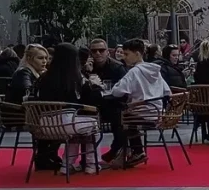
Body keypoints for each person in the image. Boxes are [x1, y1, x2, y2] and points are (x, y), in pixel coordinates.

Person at [33, 43, 103, 175]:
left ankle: (66, 166)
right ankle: (92, 164)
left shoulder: (44, 77)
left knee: (75, 126)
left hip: (44, 124)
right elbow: (87, 100)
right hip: (66, 123)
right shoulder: (75, 78)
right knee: (93, 126)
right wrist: (95, 86)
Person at [102, 39, 172, 168]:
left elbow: (117, 91)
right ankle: (131, 151)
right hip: (158, 112)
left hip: (142, 113)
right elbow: (167, 90)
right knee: (125, 118)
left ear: (138, 54)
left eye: (127, 54)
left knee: (119, 118)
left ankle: (129, 151)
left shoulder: (134, 71)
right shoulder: (155, 70)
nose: (124, 57)